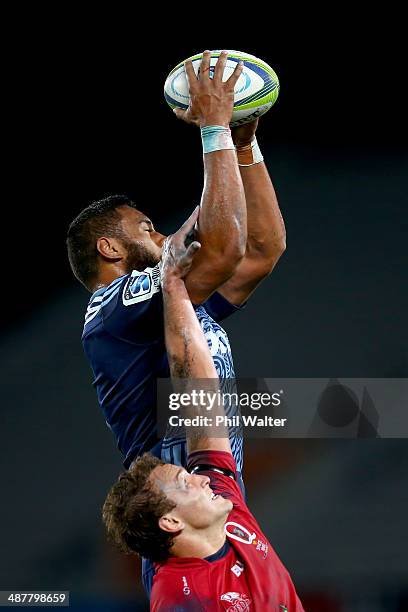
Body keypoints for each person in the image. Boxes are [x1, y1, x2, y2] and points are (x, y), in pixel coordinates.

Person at [66, 50, 286, 475]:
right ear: (110, 248)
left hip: (214, 498)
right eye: (146, 228)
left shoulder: (174, 304)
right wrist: (214, 129)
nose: (162, 237)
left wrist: (243, 145)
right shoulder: (113, 310)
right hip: (175, 503)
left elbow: (260, 251)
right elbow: (223, 250)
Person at [102, 212, 304, 611]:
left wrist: (173, 285)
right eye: (184, 481)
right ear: (171, 522)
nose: (200, 478)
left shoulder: (220, 494)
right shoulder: (180, 599)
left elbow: (200, 394)